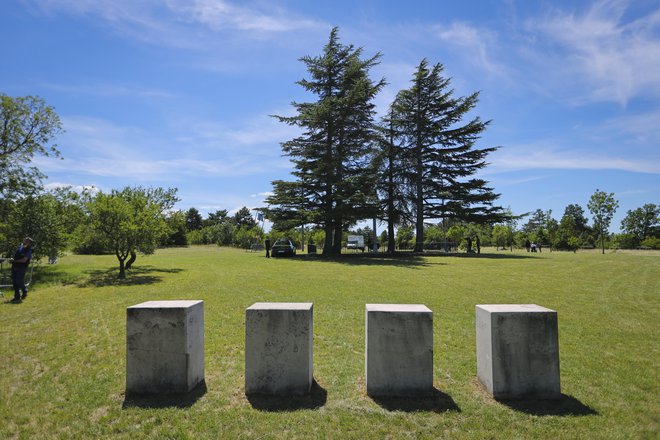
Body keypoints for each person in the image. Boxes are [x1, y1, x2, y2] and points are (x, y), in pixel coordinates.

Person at [10, 237, 34, 303]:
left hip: (22, 267)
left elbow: (24, 260)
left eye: (27, 241)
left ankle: (24, 291)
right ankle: (17, 297)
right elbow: (16, 256)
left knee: (18, 281)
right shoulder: (19, 247)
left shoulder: (29, 250)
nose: (25, 241)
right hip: (14, 266)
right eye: (25, 240)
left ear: (29, 243)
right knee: (14, 282)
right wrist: (12, 259)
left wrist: (14, 261)